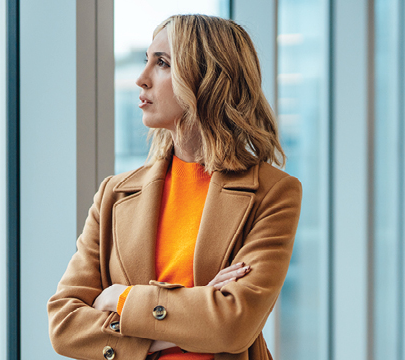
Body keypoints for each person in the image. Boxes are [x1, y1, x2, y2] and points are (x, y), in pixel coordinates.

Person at [48, 14, 302, 360]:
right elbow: (64, 326)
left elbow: (232, 325)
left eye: (162, 63)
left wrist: (120, 298)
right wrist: (186, 320)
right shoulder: (114, 194)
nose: (141, 79)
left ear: (208, 78)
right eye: (146, 61)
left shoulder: (273, 193)